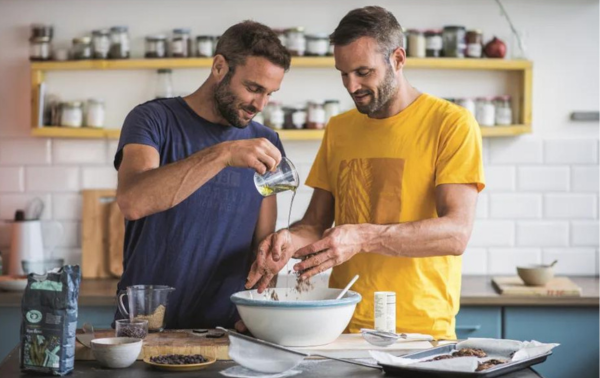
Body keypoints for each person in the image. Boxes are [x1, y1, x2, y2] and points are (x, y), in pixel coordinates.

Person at [246, 6, 485, 340]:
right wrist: (287, 241)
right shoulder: (339, 128)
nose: (351, 85)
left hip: (419, 330)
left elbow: (456, 233)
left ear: (398, 59)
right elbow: (315, 224)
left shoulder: (451, 124)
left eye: (363, 72)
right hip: (342, 325)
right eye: (343, 73)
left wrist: (361, 237)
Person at [113, 20, 291, 331]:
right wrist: (222, 154)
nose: (259, 105)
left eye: (270, 93)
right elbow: (133, 201)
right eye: (253, 88)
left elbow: (261, 246)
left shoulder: (267, 142)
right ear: (220, 67)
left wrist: (265, 290)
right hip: (145, 326)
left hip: (224, 331)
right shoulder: (153, 119)